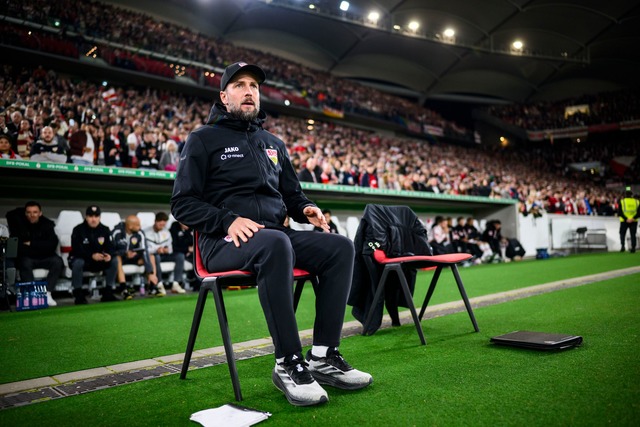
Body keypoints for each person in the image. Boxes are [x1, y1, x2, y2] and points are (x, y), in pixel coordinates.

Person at [171, 61, 372, 407]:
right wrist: (226, 220)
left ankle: (323, 355)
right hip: (222, 242)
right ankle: (287, 363)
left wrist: (306, 208)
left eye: (254, 86)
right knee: (276, 241)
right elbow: (182, 204)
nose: (249, 91)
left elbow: (292, 196)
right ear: (223, 95)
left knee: (340, 247)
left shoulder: (273, 143)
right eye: (239, 85)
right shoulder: (202, 139)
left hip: (275, 237)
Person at [9, 201, 63, 306]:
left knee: (57, 261)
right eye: (29, 212)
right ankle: (31, 295)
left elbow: (52, 245)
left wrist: (31, 244)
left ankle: (47, 293)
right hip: (28, 258)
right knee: (24, 262)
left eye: (35, 212)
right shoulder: (19, 226)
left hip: (45, 257)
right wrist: (40, 246)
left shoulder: (47, 225)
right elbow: (19, 247)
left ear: (40, 213)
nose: (32, 215)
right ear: (25, 213)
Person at [69, 205, 119, 304]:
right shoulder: (78, 230)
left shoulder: (105, 229)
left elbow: (111, 246)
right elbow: (77, 249)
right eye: (91, 216)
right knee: (78, 262)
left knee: (114, 260)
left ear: (99, 217)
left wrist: (108, 255)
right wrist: (91, 255)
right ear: (86, 217)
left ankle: (108, 292)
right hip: (85, 260)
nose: (93, 219)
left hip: (99, 260)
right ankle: (78, 294)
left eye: (96, 216)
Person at [112, 215, 162, 299]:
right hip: (122, 258)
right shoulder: (116, 232)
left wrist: (150, 272)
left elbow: (144, 251)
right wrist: (124, 253)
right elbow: (111, 249)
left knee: (151, 256)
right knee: (117, 258)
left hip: (134, 258)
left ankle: (152, 286)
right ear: (130, 226)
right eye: (138, 225)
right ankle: (123, 289)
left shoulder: (140, 233)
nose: (140, 227)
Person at [143, 212, 185, 294]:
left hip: (165, 255)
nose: (162, 225)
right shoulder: (146, 232)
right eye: (160, 223)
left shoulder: (167, 233)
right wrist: (157, 249)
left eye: (164, 223)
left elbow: (170, 248)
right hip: (154, 255)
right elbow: (145, 248)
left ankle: (176, 284)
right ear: (155, 221)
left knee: (180, 256)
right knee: (156, 256)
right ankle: (159, 284)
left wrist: (166, 250)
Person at [169, 221, 197, 290]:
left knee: (199, 257)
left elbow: (194, 241)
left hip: (192, 253)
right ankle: (195, 283)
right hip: (180, 253)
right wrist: (187, 249)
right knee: (195, 259)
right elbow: (174, 247)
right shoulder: (174, 228)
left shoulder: (191, 228)